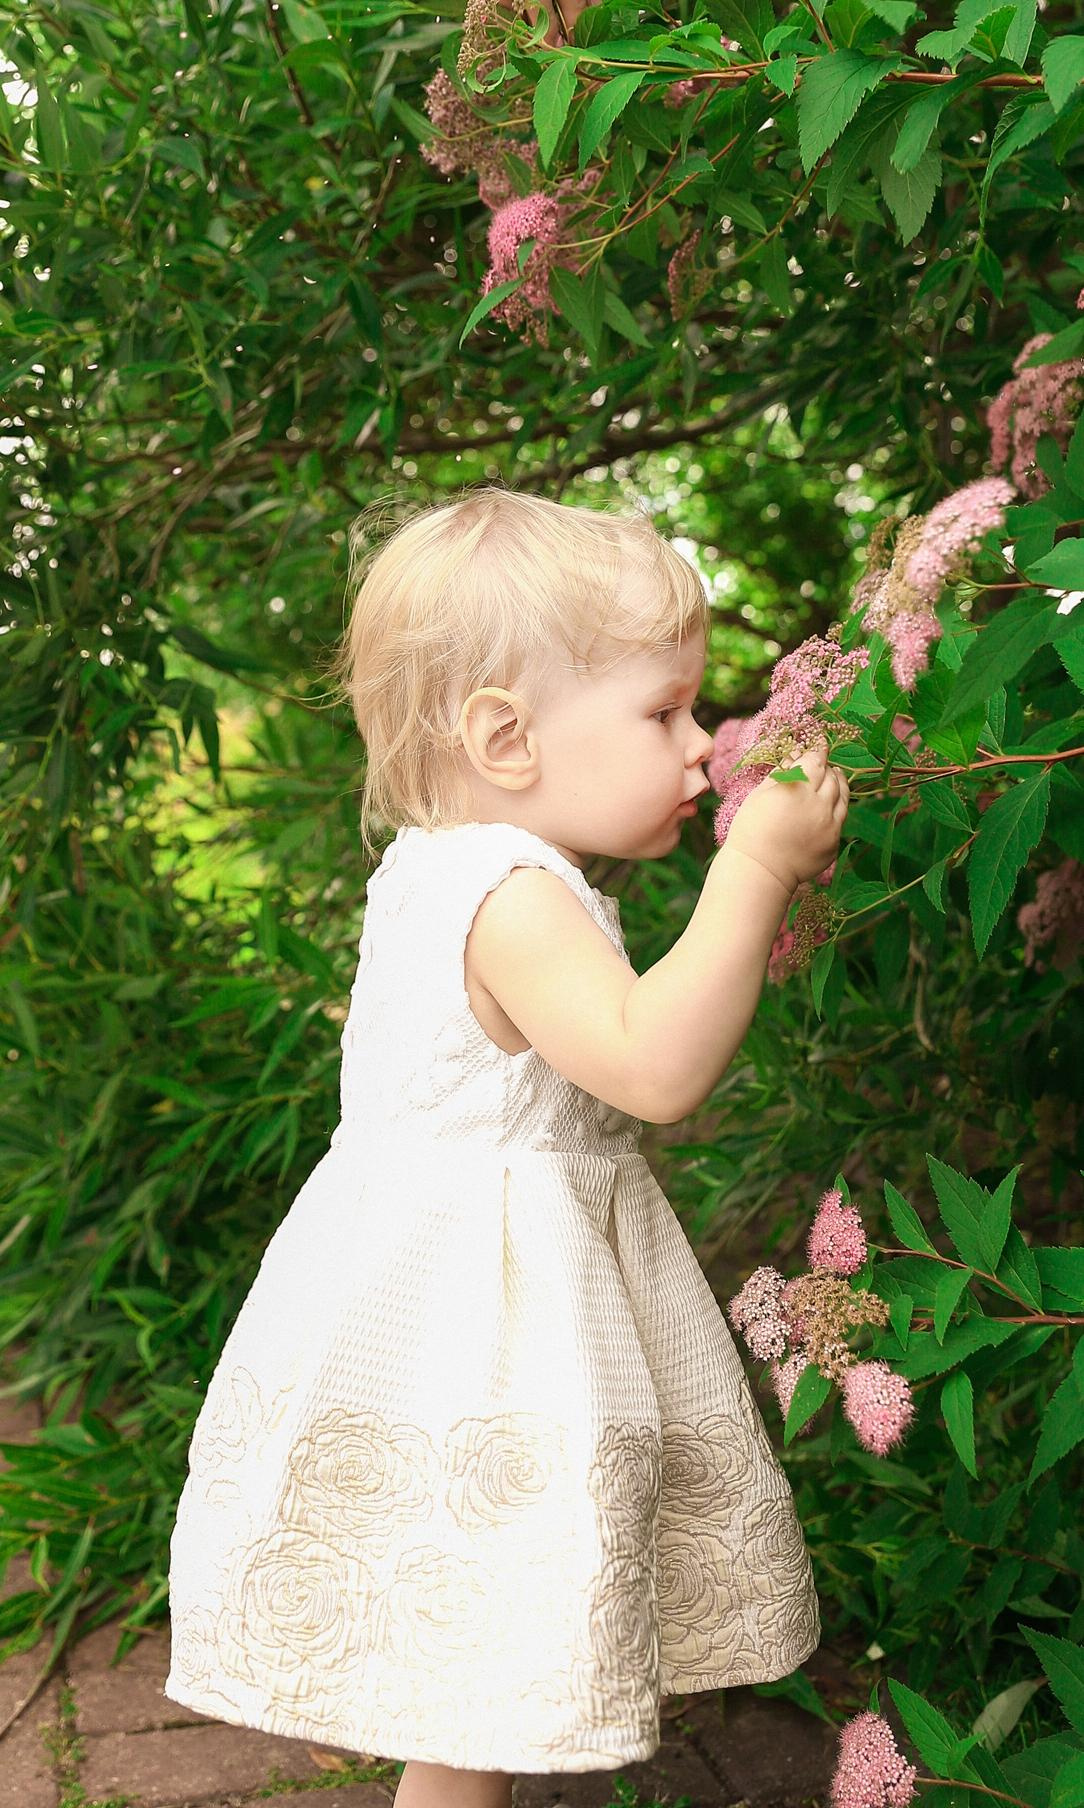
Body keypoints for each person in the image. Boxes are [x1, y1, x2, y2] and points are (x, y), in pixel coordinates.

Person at [162, 485, 850, 1808]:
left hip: (436, 1307)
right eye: (664, 713)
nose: (703, 745)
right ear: (506, 737)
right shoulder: (517, 900)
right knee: (471, 1700)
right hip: (485, 1342)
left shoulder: (429, 871)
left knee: (467, 1703)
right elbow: (655, 1064)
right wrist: (754, 871)